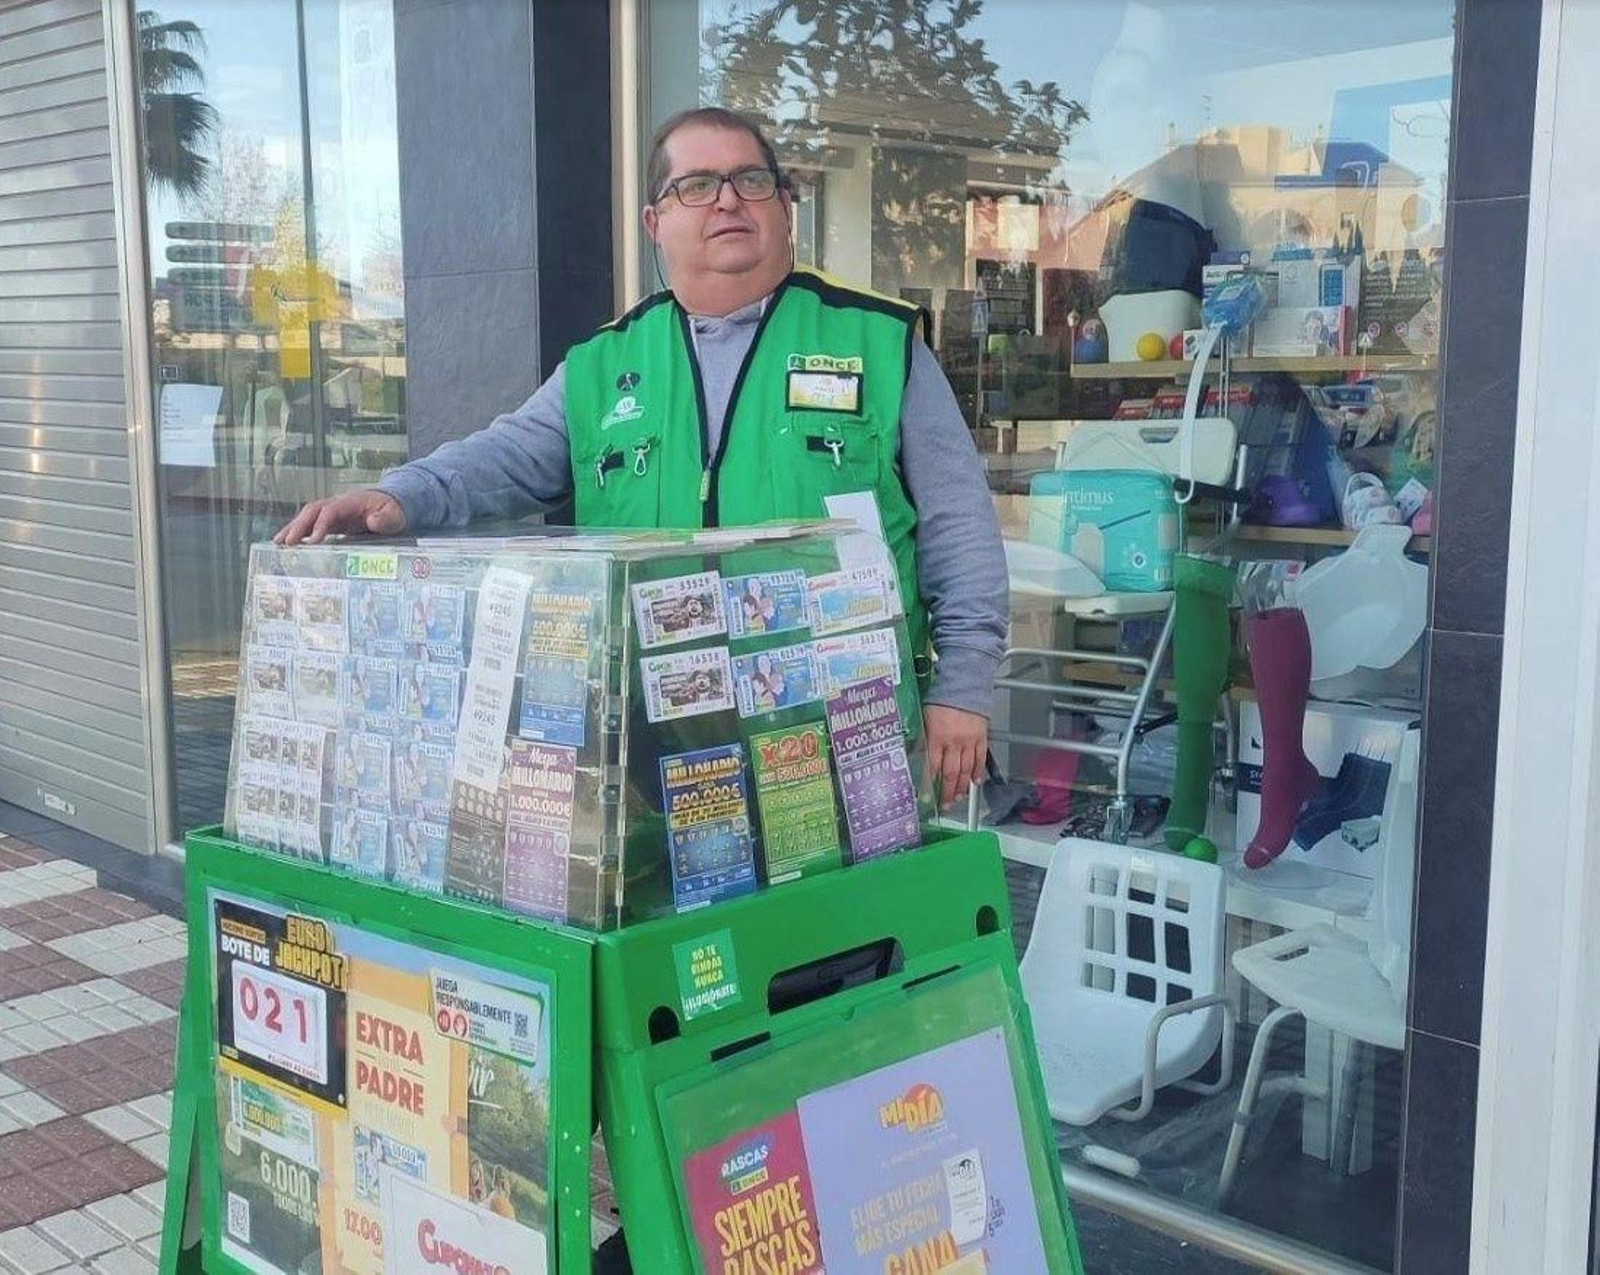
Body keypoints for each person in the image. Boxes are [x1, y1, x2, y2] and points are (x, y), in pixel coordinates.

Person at [277, 107, 1008, 810]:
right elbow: (504, 455)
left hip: (843, 731)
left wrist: (963, 689)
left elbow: (960, 526)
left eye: (751, 181)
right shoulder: (605, 362)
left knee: (842, 936)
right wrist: (398, 497)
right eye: (696, 186)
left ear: (786, 204)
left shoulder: (878, 341)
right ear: (656, 221)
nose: (727, 200)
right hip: (654, 749)